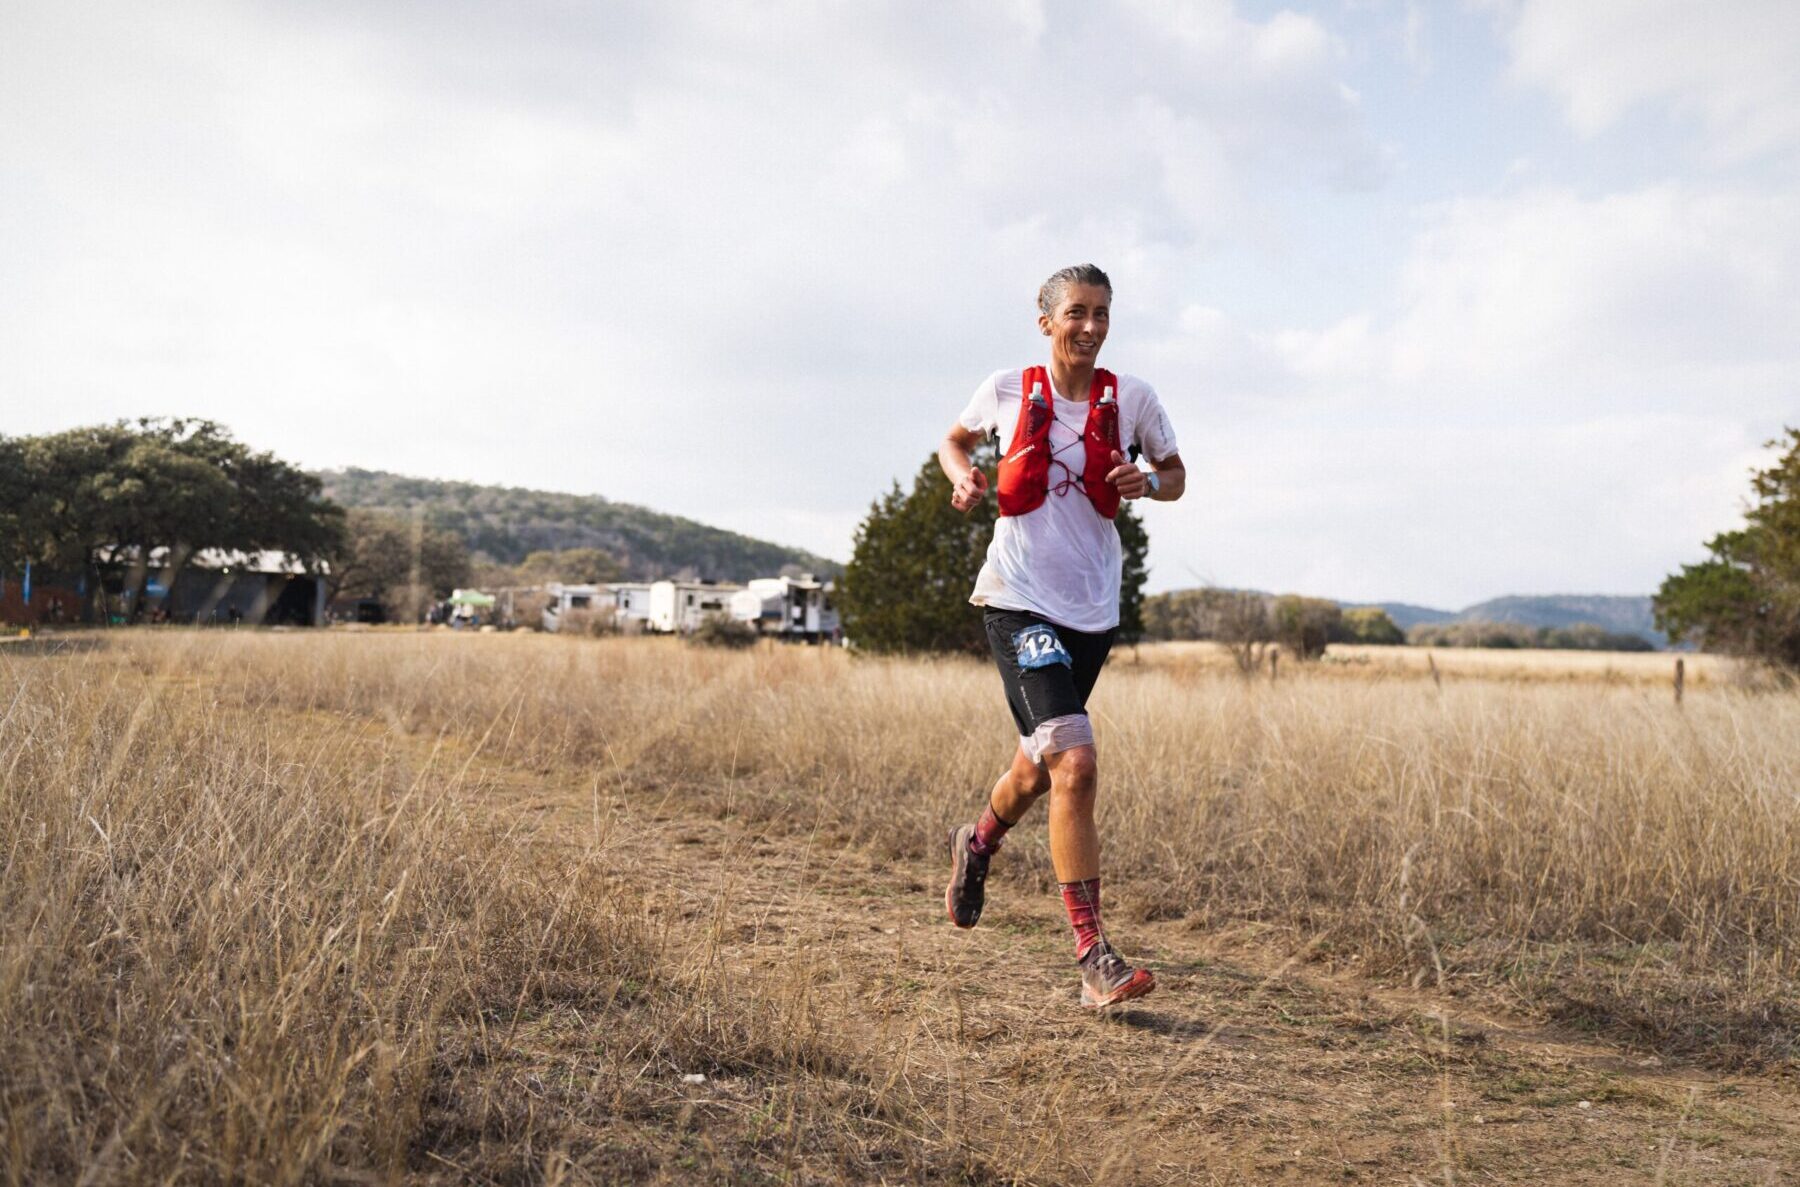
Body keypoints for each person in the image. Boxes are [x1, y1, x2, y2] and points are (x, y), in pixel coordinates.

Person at [938, 263, 1185, 1010]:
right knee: (1075, 761)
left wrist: (1151, 484)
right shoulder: (1007, 388)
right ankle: (1093, 957)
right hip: (1017, 602)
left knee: (1037, 771)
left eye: (1102, 312)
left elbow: (1176, 474)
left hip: (1091, 613)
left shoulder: (1132, 397)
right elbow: (954, 440)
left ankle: (976, 843)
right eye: (1076, 311)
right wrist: (963, 476)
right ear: (1045, 319)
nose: (1091, 325)